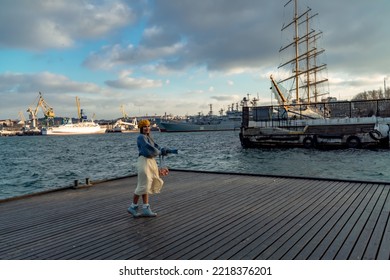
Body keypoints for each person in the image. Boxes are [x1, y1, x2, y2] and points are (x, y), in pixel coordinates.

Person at [127, 119, 169, 218]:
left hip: (150, 161)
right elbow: (148, 148)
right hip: (144, 161)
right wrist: (160, 152)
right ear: (141, 128)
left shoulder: (148, 137)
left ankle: (146, 208)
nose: (147, 128)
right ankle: (133, 207)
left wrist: (163, 150)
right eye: (144, 126)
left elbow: (156, 146)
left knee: (147, 184)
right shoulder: (141, 137)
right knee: (143, 185)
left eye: (148, 126)